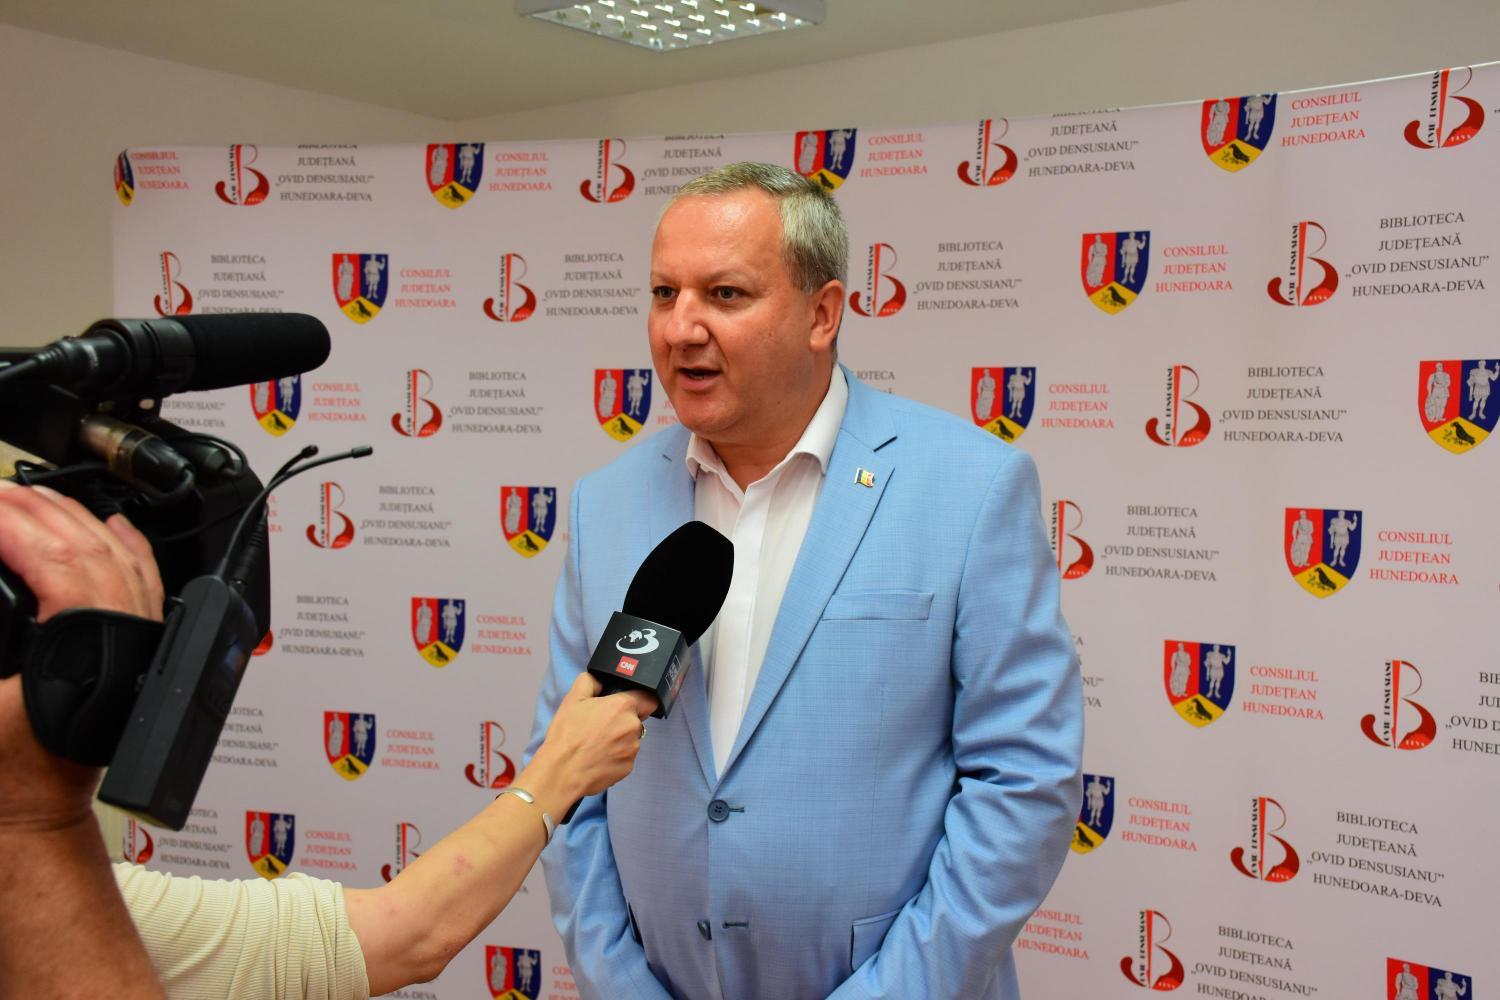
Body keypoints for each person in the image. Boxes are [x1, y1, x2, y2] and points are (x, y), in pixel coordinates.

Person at [528, 162, 1081, 999]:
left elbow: (1024, 784)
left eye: (724, 294)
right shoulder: (606, 503)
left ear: (823, 314)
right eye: (664, 293)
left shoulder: (970, 488)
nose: (681, 328)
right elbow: (566, 779)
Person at [0, 482, 657, 999]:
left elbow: (409, 931)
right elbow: (410, 933)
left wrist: (558, 773)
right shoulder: (64, 898)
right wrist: (41, 817)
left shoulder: (124, 909)